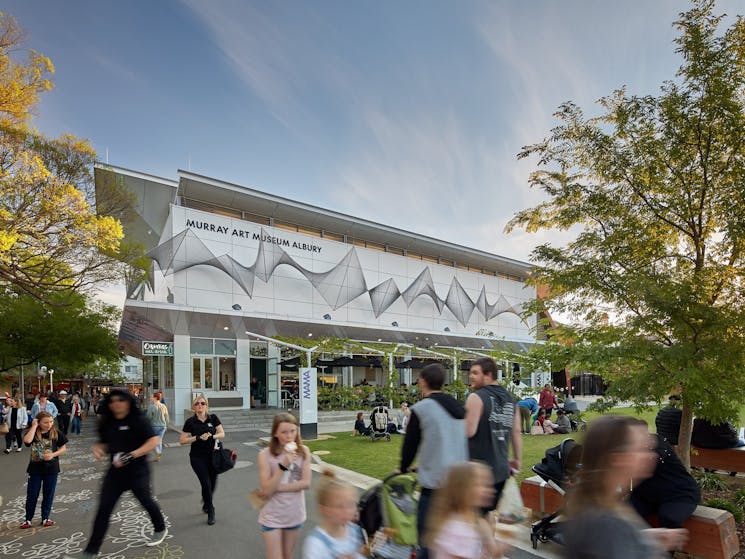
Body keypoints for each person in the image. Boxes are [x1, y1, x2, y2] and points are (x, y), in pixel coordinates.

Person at [563, 415, 688, 559]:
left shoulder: (595, 505)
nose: (651, 455)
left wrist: (645, 538)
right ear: (618, 459)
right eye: (641, 448)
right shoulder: (609, 525)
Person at [64, 389, 167, 559]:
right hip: (115, 474)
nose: (116, 403)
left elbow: (154, 441)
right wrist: (98, 448)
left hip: (137, 471)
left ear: (128, 402)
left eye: (120, 400)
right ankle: (90, 551)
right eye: (112, 401)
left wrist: (132, 455)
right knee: (103, 509)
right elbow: (103, 443)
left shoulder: (138, 419)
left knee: (146, 501)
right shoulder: (107, 422)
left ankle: (160, 527)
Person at [400, 363, 468, 559]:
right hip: (459, 486)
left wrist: (403, 467)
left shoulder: (421, 409)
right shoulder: (459, 407)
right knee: (452, 541)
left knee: (428, 540)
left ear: (422, 381)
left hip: (434, 488)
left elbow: (409, 446)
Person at [465, 357, 522, 512]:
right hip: (501, 471)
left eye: (475, 373)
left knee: (474, 517)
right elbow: (516, 432)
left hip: (478, 472)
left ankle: (484, 537)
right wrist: (517, 459)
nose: (471, 376)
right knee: (488, 513)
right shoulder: (511, 399)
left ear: (488, 375)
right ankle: (489, 537)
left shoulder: (475, 397)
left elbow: (468, 431)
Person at [257, 412, 312, 559]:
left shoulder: (304, 452)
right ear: (275, 433)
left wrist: (276, 487)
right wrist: (283, 465)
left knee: (287, 555)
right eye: (284, 432)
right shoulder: (265, 455)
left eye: (293, 431)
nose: (289, 436)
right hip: (272, 515)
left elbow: (306, 483)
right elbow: (267, 490)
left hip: (294, 513)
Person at [426, 462, 507, 559]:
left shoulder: (476, 521)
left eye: (489, 485)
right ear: (462, 489)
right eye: (482, 485)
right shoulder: (456, 529)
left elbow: (492, 552)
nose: (491, 490)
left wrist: (502, 544)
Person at [630, 420, 700, 529]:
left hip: (679, 494)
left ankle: (671, 545)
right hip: (645, 496)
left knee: (669, 518)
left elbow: (651, 458)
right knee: (620, 513)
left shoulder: (658, 444)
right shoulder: (628, 448)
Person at [179, 394, 225, 524]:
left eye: (202, 403)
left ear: (206, 405)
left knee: (212, 483)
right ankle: (211, 511)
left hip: (213, 456)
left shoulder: (213, 418)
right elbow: (182, 441)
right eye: (197, 403)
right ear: (193, 406)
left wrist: (211, 436)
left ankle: (206, 501)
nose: (200, 405)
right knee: (206, 483)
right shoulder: (190, 422)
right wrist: (197, 437)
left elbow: (222, 433)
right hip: (197, 458)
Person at [302, 470, 365, 559]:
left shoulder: (354, 531)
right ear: (324, 509)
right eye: (340, 506)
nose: (347, 511)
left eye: (351, 504)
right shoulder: (315, 544)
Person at [20, 411, 67, 528]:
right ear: (39, 422)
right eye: (45, 422)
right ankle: (28, 519)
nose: (49, 424)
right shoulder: (34, 432)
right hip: (35, 469)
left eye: (51, 421)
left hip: (52, 469)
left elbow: (63, 449)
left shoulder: (56, 433)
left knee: (48, 494)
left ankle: (45, 518)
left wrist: (53, 454)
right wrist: (34, 426)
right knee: (32, 494)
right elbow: (27, 441)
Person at [147, 393, 169, 461]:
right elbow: (167, 416)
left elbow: (148, 417)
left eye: (151, 397)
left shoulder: (151, 406)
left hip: (154, 426)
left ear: (155, 398)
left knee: (151, 440)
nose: (150, 398)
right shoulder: (163, 406)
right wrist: (166, 425)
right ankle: (158, 457)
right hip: (163, 426)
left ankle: (158, 452)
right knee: (159, 440)